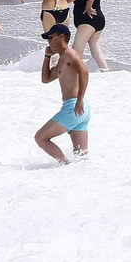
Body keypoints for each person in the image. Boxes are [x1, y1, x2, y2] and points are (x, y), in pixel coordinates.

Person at [35, 23, 90, 164]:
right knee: (81, 156)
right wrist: (47, 57)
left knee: (40, 138)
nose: (49, 41)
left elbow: (84, 72)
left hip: (74, 106)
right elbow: (45, 79)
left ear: (62, 36)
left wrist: (80, 99)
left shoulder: (70, 54)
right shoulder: (61, 61)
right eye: (47, 39)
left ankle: (65, 164)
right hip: (79, 109)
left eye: (51, 37)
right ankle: (78, 176)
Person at [69, 0, 108, 71]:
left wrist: (88, 7)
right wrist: (63, 2)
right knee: (96, 52)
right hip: (98, 20)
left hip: (88, 22)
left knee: (76, 51)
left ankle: (77, 76)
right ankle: (106, 72)